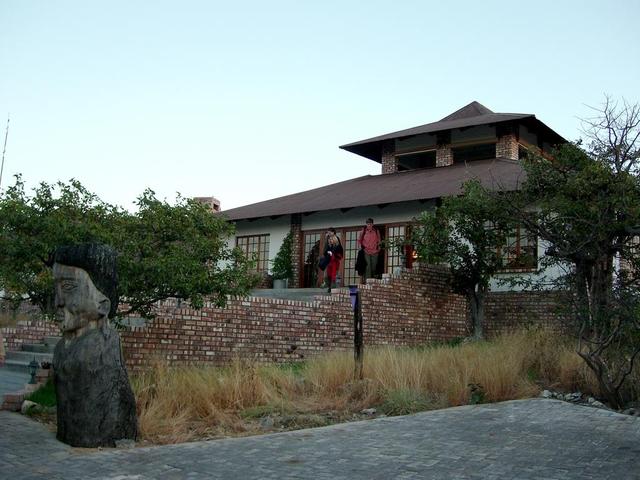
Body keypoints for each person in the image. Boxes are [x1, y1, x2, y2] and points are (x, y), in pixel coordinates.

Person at [357, 218, 381, 282]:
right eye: (367, 224)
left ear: (372, 224)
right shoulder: (363, 231)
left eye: (370, 224)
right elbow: (359, 240)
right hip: (366, 251)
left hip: (374, 251)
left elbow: (379, 240)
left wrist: (379, 247)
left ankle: (372, 280)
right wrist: (360, 247)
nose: (369, 225)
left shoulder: (376, 231)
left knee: (374, 266)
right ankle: (367, 281)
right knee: (368, 266)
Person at [323, 228, 343, 292]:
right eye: (328, 232)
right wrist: (326, 253)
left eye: (330, 232)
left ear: (333, 232)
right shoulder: (327, 240)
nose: (329, 233)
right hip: (328, 259)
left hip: (335, 259)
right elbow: (325, 249)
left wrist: (333, 253)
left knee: (334, 274)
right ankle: (329, 286)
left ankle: (332, 288)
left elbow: (339, 249)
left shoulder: (336, 239)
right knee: (327, 275)